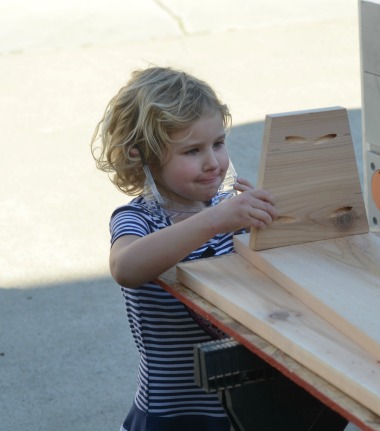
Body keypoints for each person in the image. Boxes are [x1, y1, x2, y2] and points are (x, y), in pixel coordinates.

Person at [91, 66, 278, 431]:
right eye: (192, 151)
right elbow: (126, 267)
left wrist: (264, 223)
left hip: (241, 407)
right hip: (174, 414)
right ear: (141, 157)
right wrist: (215, 222)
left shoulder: (227, 210)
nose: (213, 162)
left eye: (218, 144)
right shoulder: (139, 219)